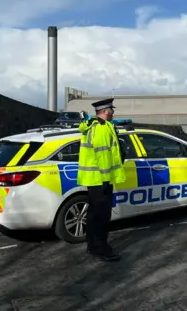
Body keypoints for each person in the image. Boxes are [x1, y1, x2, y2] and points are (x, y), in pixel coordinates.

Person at [77, 97, 126, 261]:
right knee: (102, 217)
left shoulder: (91, 126)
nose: (113, 112)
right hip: (101, 179)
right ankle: (101, 248)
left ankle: (92, 245)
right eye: (112, 110)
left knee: (93, 214)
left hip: (93, 179)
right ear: (105, 111)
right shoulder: (103, 128)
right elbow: (103, 154)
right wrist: (106, 180)